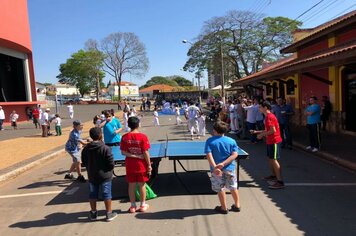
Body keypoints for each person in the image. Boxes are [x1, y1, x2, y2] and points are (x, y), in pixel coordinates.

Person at [81, 127, 117, 222]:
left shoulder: (85, 149)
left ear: (91, 136)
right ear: (101, 135)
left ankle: (93, 213)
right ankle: (108, 213)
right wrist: (109, 171)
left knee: (92, 194)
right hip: (105, 176)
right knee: (106, 194)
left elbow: (83, 163)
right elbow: (111, 163)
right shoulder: (106, 148)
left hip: (92, 176)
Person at [204, 121, 240, 214]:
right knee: (233, 187)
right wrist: (223, 164)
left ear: (214, 130)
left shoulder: (210, 141)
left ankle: (224, 208)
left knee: (220, 188)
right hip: (230, 168)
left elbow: (209, 155)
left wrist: (216, 167)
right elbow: (235, 154)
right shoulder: (231, 141)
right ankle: (237, 205)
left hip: (216, 171)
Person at [120, 116, 151, 213]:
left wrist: (133, 155)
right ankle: (142, 205)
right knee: (142, 185)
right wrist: (149, 165)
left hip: (130, 165)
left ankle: (133, 206)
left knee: (131, 185)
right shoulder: (143, 136)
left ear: (129, 125)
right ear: (138, 124)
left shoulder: (125, 137)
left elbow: (123, 152)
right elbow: (145, 152)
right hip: (141, 165)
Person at [251, 101, 284, 189]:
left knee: (274, 159)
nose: (259, 109)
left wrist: (261, 135)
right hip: (270, 141)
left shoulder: (269, 117)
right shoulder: (267, 117)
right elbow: (268, 130)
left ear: (265, 107)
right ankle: (273, 176)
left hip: (274, 141)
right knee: (270, 159)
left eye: (260, 107)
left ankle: (280, 181)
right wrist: (257, 132)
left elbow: (273, 131)